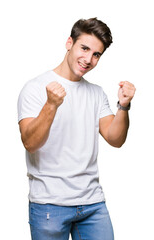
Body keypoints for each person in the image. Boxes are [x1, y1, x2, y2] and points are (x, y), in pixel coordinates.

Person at [17, 17, 136, 240]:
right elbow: (30, 143)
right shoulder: (34, 88)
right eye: (84, 48)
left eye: (96, 54)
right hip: (49, 205)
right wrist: (51, 105)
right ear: (69, 43)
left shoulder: (96, 93)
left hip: (92, 203)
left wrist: (124, 106)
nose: (88, 59)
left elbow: (115, 139)